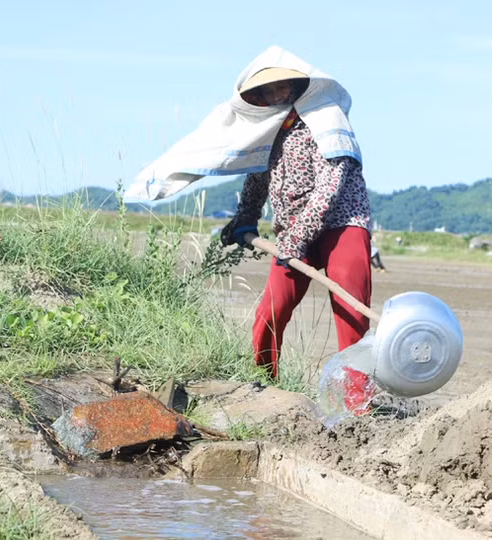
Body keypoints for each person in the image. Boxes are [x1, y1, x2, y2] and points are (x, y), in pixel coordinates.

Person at [125, 47, 374, 410]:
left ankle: (356, 406)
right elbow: (257, 181)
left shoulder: (326, 117)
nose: (275, 96)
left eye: (281, 87)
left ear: (296, 85)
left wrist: (301, 235)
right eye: (267, 91)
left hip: (342, 225)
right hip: (290, 232)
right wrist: (245, 218)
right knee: (270, 314)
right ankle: (265, 390)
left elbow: (331, 184)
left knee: (351, 317)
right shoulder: (268, 130)